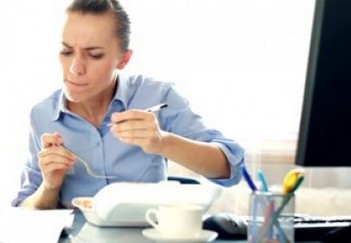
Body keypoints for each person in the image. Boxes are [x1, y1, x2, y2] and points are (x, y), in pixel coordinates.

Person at [12, 0, 245, 209]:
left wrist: (163, 142)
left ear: (123, 59)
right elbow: (25, 208)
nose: (75, 68)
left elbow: (232, 168)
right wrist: (49, 186)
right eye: (66, 51)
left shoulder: (158, 96)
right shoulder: (42, 115)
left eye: (94, 55)